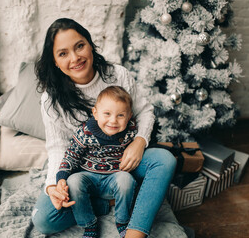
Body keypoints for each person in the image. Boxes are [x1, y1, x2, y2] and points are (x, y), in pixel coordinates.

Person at [32, 18, 178, 238]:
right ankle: (103, 203)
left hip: (122, 163)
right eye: (63, 53)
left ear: (90, 44)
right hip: (83, 170)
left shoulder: (117, 75)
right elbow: (58, 147)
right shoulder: (51, 99)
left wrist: (139, 142)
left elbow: (145, 111)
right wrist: (55, 184)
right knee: (44, 219)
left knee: (165, 160)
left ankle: (135, 231)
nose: (75, 58)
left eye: (79, 46)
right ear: (54, 61)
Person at [56, 86, 137, 238]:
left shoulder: (131, 131)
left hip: (113, 178)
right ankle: (89, 224)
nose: (113, 121)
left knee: (126, 179)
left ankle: (122, 221)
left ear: (129, 116)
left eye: (120, 115)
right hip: (88, 177)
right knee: (73, 181)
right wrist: (61, 178)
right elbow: (71, 155)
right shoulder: (86, 132)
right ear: (95, 113)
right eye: (107, 114)